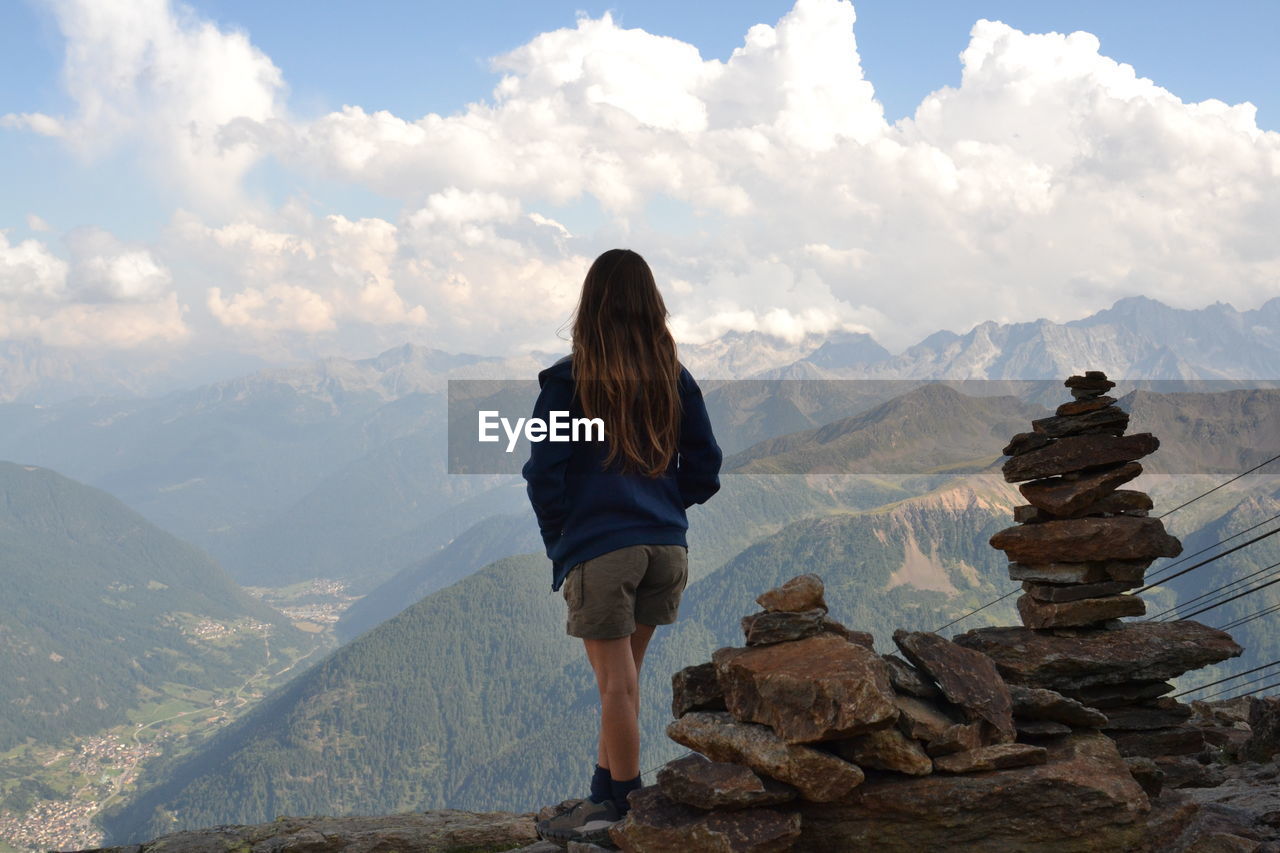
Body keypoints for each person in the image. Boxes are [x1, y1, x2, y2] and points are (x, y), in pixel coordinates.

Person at [521, 248, 722, 845]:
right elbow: (705, 468)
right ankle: (602, 794)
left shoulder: (569, 381)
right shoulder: (673, 378)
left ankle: (626, 810)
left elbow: (542, 472)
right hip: (666, 548)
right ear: (651, 306)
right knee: (627, 678)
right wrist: (661, 508)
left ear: (591, 305)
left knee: (615, 684)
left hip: (603, 550)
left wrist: (564, 535)